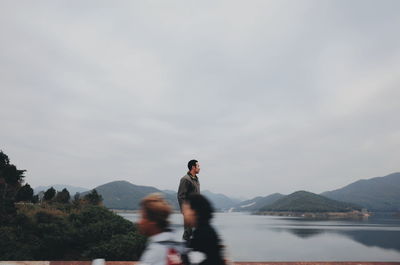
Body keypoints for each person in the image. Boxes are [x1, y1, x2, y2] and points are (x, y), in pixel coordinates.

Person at [182, 194, 225, 265]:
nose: (183, 213)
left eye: (186, 210)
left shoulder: (203, 234)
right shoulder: (204, 230)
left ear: (194, 211)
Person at [137, 193, 179, 265]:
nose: (139, 222)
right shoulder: (177, 244)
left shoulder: (155, 253)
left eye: (143, 217)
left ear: (152, 222)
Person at [178, 159, 201, 241]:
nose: (199, 168)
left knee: (197, 233)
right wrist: (185, 211)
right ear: (193, 167)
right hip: (189, 212)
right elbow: (181, 196)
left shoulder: (196, 179)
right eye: (198, 166)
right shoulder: (185, 179)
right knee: (188, 233)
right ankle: (184, 251)